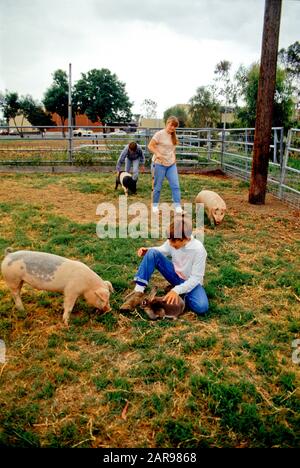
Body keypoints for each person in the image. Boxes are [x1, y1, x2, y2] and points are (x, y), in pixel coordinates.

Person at [120, 215, 209, 316]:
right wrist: (148, 251)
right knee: (152, 253)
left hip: (191, 281)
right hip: (175, 275)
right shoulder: (174, 238)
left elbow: (196, 278)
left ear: (186, 238)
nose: (170, 243)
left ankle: (180, 293)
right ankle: (138, 292)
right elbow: (162, 250)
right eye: (169, 240)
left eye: (173, 241)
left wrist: (177, 290)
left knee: (202, 307)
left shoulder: (198, 250)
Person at [148, 116, 182, 214]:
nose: (172, 128)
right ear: (167, 123)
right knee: (157, 186)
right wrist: (157, 153)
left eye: (174, 126)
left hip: (171, 165)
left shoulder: (174, 136)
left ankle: (177, 206)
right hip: (159, 164)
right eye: (171, 125)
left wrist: (174, 159)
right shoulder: (159, 134)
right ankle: (154, 206)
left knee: (175, 185)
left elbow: (173, 150)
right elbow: (150, 146)